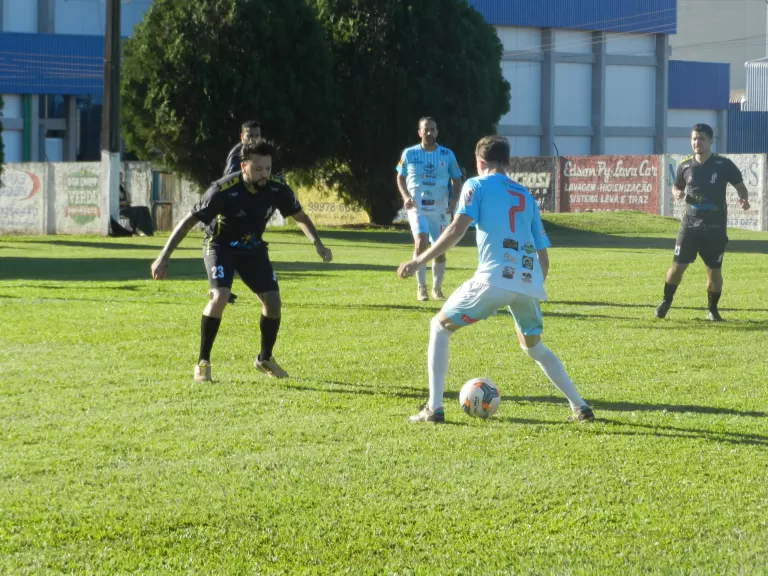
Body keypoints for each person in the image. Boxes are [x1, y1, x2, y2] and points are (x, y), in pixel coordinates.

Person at [397, 135, 594, 424]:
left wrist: (418, 260)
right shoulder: (526, 196)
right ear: (508, 162)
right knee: (534, 347)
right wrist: (531, 287)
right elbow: (544, 257)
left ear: (479, 162)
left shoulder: (475, 185)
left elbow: (455, 230)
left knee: (438, 327)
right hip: (528, 282)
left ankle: (434, 409)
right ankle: (580, 407)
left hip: (493, 279)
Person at [151, 139, 333, 383]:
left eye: (268, 168)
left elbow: (299, 216)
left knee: (273, 301)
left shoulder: (277, 187)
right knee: (220, 296)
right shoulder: (223, 189)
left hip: (252, 247)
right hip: (219, 245)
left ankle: (265, 359)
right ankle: (202, 363)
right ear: (244, 166)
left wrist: (318, 244)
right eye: (258, 169)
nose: (264, 174)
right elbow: (189, 221)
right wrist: (163, 257)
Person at [656, 123, 750, 322]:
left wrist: (744, 199)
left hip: (715, 228)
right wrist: (677, 193)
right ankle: (666, 301)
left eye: (701, 139)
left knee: (714, 271)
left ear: (710, 141)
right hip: (689, 226)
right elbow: (676, 187)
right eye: (693, 139)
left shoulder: (723, 165)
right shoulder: (685, 166)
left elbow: (740, 186)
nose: (696, 142)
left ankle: (712, 310)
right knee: (677, 267)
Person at [396, 117, 463, 301]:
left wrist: (454, 200)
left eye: (433, 129)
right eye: (426, 129)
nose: (429, 133)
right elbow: (400, 177)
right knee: (421, 242)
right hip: (417, 207)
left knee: (440, 248)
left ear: (437, 132)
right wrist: (406, 197)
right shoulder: (409, 154)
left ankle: (437, 289)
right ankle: (421, 287)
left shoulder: (447, 154)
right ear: (419, 132)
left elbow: (457, 178)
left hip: (440, 208)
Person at [224, 120, 287, 184]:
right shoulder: (236, 154)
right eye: (250, 136)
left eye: (257, 136)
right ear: (242, 137)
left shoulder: (263, 151)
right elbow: (230, 177)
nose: (253, 139)